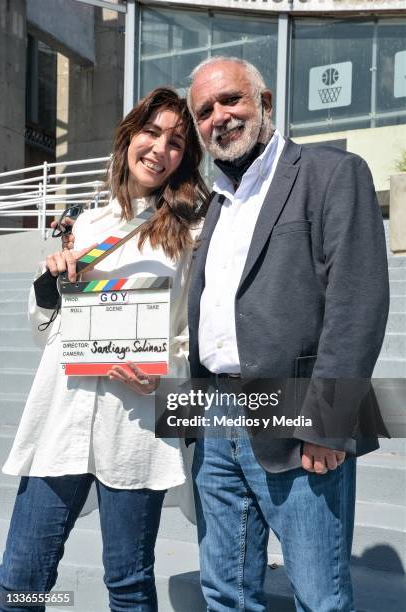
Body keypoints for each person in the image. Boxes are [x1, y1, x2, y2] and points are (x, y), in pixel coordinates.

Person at [186, 57, 389, 611]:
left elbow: (358, 302)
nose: (219, 117)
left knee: (319, 597)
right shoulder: (217, 204)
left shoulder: (332, 173)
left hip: (297, 414)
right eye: (205, 111)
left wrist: (328, 423)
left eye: (231, 100)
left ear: (265, 102)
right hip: (214, 417)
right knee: (225, 593)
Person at [0, 87, 208, 612]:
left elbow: (195, 332)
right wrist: (49, 283)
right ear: (129, 136)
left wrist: (163, 373)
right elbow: (48, 330)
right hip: (62, 416)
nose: (161, 149)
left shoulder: (193, 232)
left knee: (129, 584)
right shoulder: (87, 224)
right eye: (152, 133)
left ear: (186, 158)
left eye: (177, 142)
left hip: (133, 424)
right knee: (19, 581)